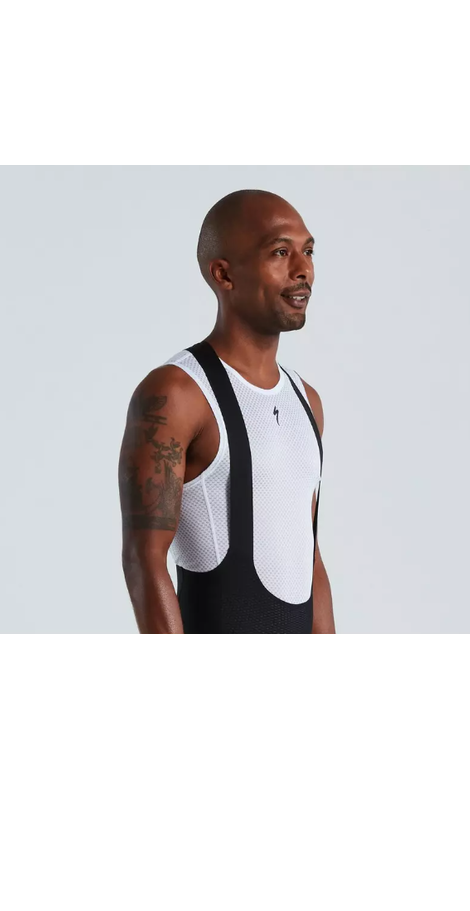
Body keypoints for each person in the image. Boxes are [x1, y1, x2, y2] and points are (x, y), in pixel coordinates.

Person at [118, 189, 335, 634]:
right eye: (280, 252)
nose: (303, 269)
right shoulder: (178, 393)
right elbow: (144, 558)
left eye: (308, 251)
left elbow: (308, 556)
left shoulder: (307, 401)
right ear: (224, 274)